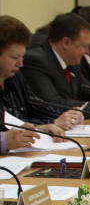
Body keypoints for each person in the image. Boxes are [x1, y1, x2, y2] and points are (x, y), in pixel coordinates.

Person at [21, 12, 90, 118]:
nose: (86, 52)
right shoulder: (36, 61)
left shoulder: (71, 60)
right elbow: (53, 103)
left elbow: (87, 90)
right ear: (66, 43)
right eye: (84, 46)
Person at [0, 15, 79, 153]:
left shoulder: (15, 77)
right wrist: (4, 141)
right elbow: (7, 133)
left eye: (22, 56)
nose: (20, 64)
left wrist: (41, 127)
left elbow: (36, 106)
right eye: (14, 57)